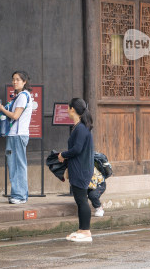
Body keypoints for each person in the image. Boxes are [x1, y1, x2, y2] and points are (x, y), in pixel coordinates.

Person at [0, 71, 34, 204]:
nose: (14, 82)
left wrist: (1, 109)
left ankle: (20, 195)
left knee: (18, 165)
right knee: (14, 164)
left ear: (24, 81)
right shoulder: (20, 96)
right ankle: (19, 194)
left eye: (18, 79)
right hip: (15, 135)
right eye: (13, 80)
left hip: (18, 134)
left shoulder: (23, 96)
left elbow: (15, 116)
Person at [57, 98, 95, 243]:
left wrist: (63, 155)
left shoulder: (80, 128)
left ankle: (86, 231)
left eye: (68, 108)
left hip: (81, 169)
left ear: (72, 109)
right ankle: (82, 229)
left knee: (81, 200)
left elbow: (77, 149)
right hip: (80, 167)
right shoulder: (81, 126)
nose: (67, 110)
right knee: (80, 200)